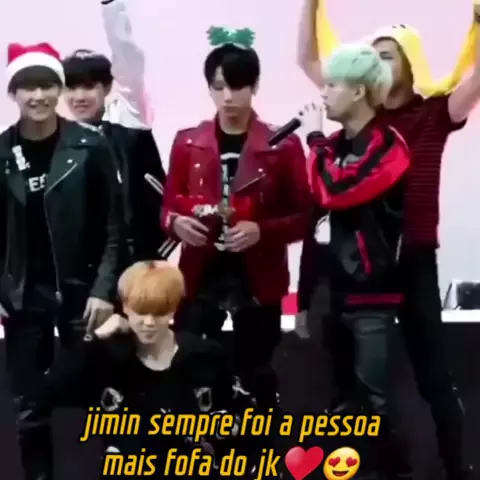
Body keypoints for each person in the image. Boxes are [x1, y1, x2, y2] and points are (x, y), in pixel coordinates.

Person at [296, 1, 480, 478]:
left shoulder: (433, 112)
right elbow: (310, 62)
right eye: (373, 54)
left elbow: (476, 81)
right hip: (363, 264)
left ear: (410, 61)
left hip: (413, 253)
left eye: (388, 54)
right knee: (354, 390)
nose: (377, 61)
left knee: (432, 377)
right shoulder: (357, 117)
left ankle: (457, 469)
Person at [161, 27, 311, 411]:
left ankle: (258, 442)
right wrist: (176, 224)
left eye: (238, 86)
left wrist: (262, 230)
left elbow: (304, 216)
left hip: (259, 279)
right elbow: (167, 208)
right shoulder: (187, 142)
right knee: (192, 371)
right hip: (199, 276)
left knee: (256, 374)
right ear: (209, 89)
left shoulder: (284, 145)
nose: (228, 97)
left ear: (255, 86)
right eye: (219, 87)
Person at [0, 42, 124, 480]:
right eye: (27, 87)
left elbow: (115, 228)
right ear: (13, 93)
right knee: (29, 406)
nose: (38, 96)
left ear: (59, 89)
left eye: (47, 85)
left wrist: (103, 290)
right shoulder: (1, 152)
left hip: (83, 297)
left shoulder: (90, 145)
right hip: (23, 299)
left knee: (106, 400)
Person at [18, 261, 254, 479]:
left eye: (159, 312)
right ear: (125, 307)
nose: (149, 322)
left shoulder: (204, 355)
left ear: (173, 309)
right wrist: (95, 338)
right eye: (141, 311)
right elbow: (43, 394)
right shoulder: (107, 359)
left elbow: (241, 418)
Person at [295, 43, 410, 479]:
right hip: (332, 293)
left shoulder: (389, 146)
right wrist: (305, 297)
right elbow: (315, 224)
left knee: (374, 403)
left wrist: (313, 141)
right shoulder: (330, 148)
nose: (323, 94)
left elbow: (337, 191)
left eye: (332, 85)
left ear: (359, 91)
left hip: (371, 296)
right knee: (341, 402)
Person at [62, 0, 175, 262]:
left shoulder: (129, 117)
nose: (79, 97)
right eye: (71, 88)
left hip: (141, 257)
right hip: (92, 263)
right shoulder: (63, 140)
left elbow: (128, 59)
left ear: (107, 87)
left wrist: (111, 7)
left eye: (88, 87)